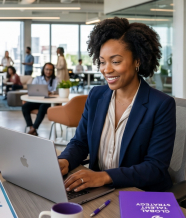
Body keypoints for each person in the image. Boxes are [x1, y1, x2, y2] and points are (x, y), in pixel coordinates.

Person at [58, 17, 176, 193]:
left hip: (138, 193)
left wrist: (104, 176)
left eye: (116, 61)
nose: (106, 69)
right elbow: (80, 142)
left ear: (137, 61)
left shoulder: (161, 105)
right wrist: (64, 160)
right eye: (102, 62)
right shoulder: (96, 96)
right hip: (100, 190)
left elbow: (155, 167)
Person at [22, 63, 57, 136]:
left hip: (49, 102)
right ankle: (32, 128)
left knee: (43, 106)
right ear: (43, 70)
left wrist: (50, 92)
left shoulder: (56, 79)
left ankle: (33, 129)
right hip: (37, 101)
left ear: (53, 71)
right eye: (47, 69)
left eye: (50, 70)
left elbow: (56, 91)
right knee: (25, 106)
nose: (48, 71)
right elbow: (32, 90)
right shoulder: (37, 79)